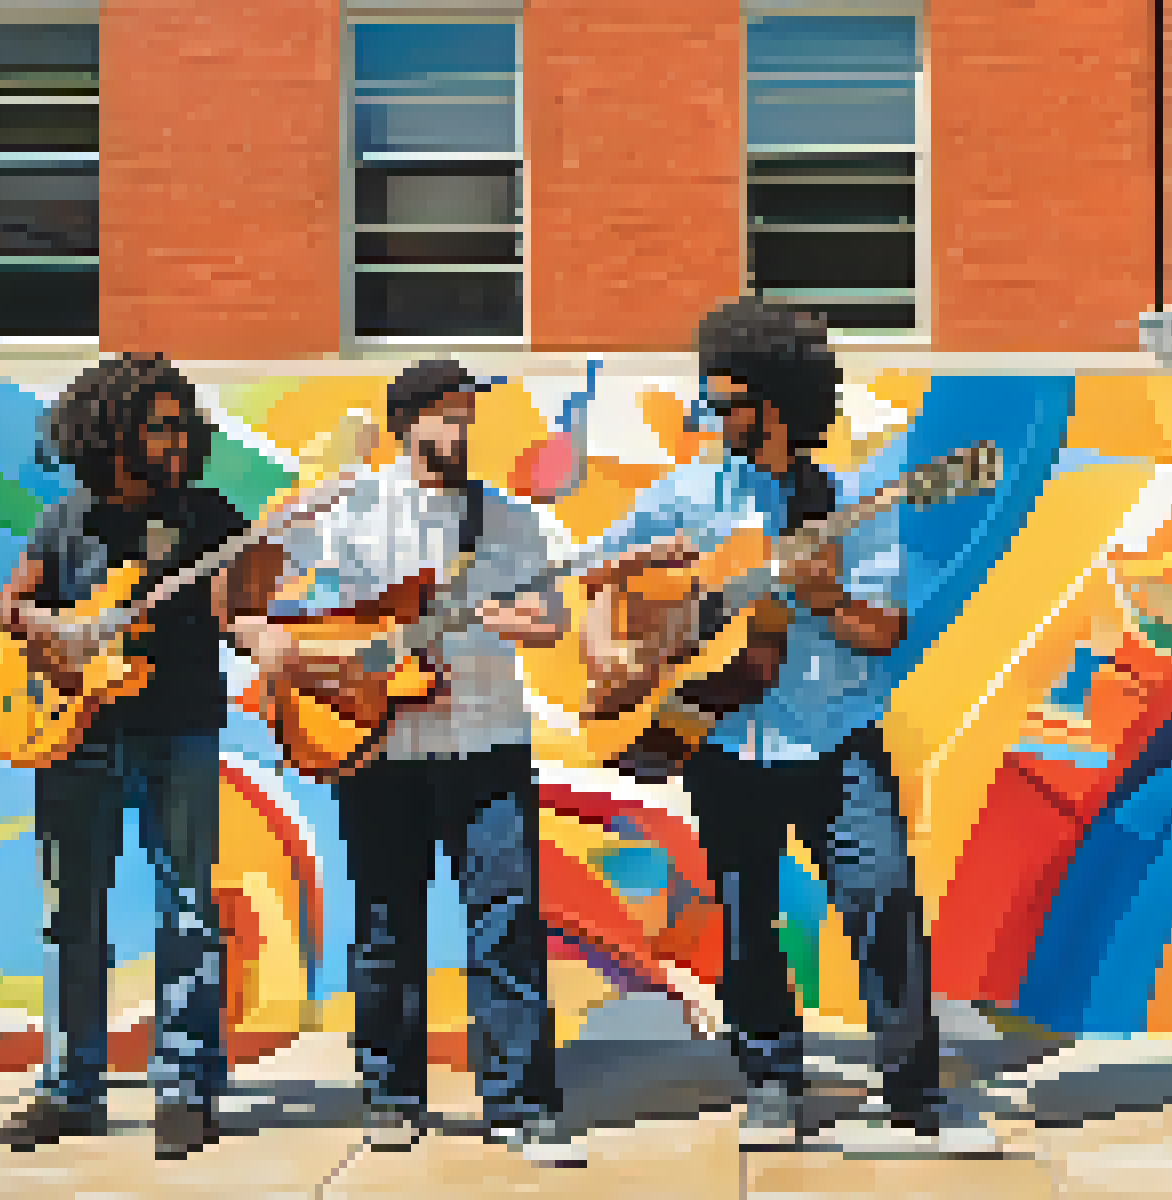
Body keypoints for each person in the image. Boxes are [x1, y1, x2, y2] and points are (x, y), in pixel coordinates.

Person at [575, 298, 997, 1154]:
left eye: (728, 402)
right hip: (722, 741)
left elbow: (885, 630)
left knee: (881, 901)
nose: (714, 415)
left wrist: (826, 598)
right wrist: (614, 654)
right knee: (743, 919)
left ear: (778, 406)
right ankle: (773, 1082)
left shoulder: (855, 503)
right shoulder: (686, 495)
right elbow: (592, 576)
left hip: (836, 741)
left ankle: (915, 1090)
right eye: (711, 401)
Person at [218, 360, 583, 1166]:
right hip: (379, 745)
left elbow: (550, 621)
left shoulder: (513, 523)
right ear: (405, 420)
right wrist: (262, 635)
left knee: (507, 921)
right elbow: (242, 595)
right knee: (386, 925)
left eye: (464, 417)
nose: (456, 431)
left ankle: (521, 1102)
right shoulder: (350, 507)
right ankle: (390, 1094)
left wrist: (499, 616)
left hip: (488, 743)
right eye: (442, 416)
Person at [0, 353, 248, 1159]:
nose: (178, 439)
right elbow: (12, 603)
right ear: (112, 433)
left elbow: (240, 614)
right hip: (76, 732)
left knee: (187, 905)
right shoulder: (65, 521)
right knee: (71, 914)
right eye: (159, 425)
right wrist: (58, 636)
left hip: (179, 727)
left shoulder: (210, 518)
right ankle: (70, 1089)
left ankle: (186, 1089)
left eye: (182, 424)